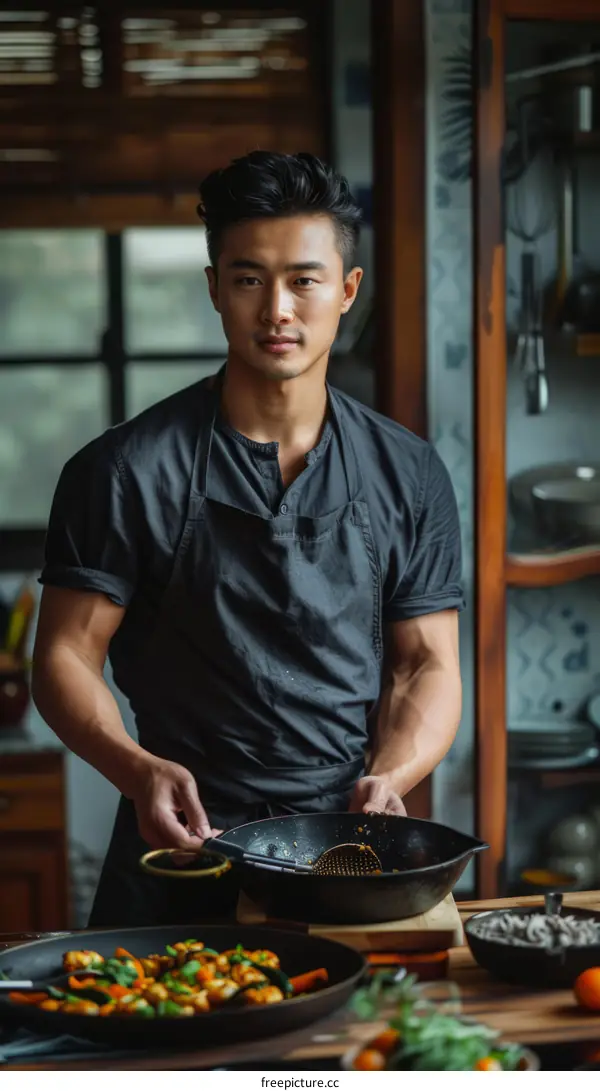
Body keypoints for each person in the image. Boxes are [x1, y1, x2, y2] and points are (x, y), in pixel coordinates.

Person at [32, 151, 464, 928]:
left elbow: (428, 661)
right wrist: (136, 770)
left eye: (304, 279)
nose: (277, 311)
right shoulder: (123, 470)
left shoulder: (411, 472)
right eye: (248, 279)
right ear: (213, 290)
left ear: (347, 291)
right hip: (185, 842)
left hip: (347, 850)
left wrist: (392, 772)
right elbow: (64, 654)